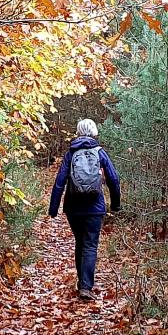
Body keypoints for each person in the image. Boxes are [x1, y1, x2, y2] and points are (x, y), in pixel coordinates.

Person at [49, 118, 121, 301]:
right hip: (95, 207)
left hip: (73, 208)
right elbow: (113, 179)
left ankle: (83, 283)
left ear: (78, 131)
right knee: (90, 245)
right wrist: (115, 204)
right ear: (94, 131)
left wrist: (54, 208)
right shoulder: (100, 153)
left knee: (80, 242)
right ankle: (85, 287)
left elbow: (59, 182)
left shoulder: (71, 154)